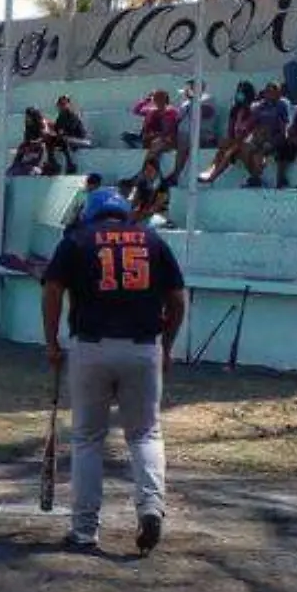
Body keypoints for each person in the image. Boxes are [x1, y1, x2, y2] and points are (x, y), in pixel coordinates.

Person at [42, 187, 188, 556]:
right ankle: (151, 508)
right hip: (143, 347)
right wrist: (167, 346)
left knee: (88, 438)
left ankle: (85, 529)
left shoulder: (76, 240)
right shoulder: (152, 240)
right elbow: (177, 298)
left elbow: (53, 290)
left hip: (91, 347)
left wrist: (52, 342)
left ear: (91, 213)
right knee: (144, 434)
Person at [197, 81, 262, 186]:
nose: (239, 94)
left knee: (229, 152)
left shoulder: (254, 109)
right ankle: (210, 170)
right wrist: (231, 141)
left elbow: (248, 131)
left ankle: (212, 176)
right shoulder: (235, 110)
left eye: (242, 92)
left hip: (248, 142)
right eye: (238, 91)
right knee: (225, 144)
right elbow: (230, 131)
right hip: (237, 141)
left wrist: (235, 143)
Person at [240, 81, 293, 189]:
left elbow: (284, 127)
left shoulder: (282, 105)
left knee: (261, 152)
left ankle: (255, 178)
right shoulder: (261, 106)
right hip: (259, 136)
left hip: (275, 137)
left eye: (271, 91)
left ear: (278, 93)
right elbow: (252, 122)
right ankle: (255, 176)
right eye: (267, 91)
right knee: (245, 149)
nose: (268, 94)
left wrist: (274, 140)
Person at [121, 158, 171, 226]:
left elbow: (157, 206)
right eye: (146, 170)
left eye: (150, 171)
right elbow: (134, 198)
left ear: (156, 172)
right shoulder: (142, 183)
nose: (147, 173)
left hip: (158, 214)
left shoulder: (163, 185)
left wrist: (142, 214)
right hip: (143, 213)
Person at [48, 96, 92, 174]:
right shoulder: (61, 116)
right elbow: (58, 129)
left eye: (63, 104)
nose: (61, 106)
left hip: (81, 140)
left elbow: (70, 130)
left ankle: (70, 164)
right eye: (60, 104)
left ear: (68, 104)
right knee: (49, 140)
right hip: (68, 139)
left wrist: (59, 132)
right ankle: (52, 163)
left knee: (64, 139)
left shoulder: (73, 115)